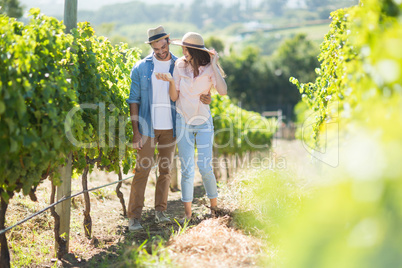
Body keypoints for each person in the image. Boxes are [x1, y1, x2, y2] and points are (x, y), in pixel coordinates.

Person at [156, 32, 227, 222]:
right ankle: (188, 214)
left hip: (203, 122)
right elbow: (174, 97)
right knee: (187, 168)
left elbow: (223, 91)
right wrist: (171, 81)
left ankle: (214, 210)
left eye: (186, 49)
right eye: (183, 49)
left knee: (205, 167)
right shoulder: (179, 66)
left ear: (195, 51)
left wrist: (214, 63)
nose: (183, 52)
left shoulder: (209, 69)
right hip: (183, 121)